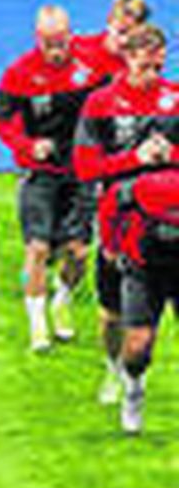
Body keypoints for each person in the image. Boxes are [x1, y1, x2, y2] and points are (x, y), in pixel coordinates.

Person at [0, 6, 112, 352]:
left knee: (78, 253)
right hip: (39, 173)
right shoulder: (19, 73)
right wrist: (28, 146)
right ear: (37, 39)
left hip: (81, 172)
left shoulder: (91, 69)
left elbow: (108, 109)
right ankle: (37, 323)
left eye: (61, 42)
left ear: (71, 36)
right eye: (48, 43)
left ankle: (61, 299)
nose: (55, 50)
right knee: (38, 248)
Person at [73, 23, 179, 406]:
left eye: (159, 66)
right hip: (119, 222)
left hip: (168, 219)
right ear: (128, 59)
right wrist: (136, 158)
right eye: (145, 66)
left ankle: (130, 377)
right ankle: (113, 367)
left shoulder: (176, 99)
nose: (153, 74)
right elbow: (85, 168)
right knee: (111, 314)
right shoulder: (100, 103)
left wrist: (171, 156)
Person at [99, 170, 179, 434]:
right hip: (145, 271)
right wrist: (111, 246)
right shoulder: (143, 187)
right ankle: (133, 391)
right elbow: (110, 203)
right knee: (137, 346)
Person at [72, 0, 147, 80]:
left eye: (127, 32)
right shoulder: (77, 45)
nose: (122, 39)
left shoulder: (136, 72)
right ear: (110, 19)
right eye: (121, 31)